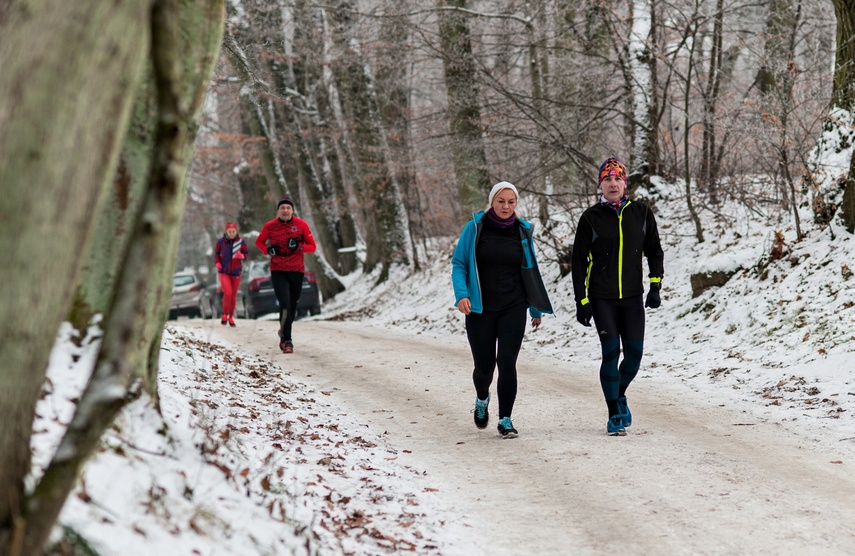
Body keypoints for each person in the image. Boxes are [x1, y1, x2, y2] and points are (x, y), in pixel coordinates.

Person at [451, 181, 553, 438]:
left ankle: (505, 419)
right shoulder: (475, 228)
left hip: (513, 306)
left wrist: (535, 307)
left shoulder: (522, 231)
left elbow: (529, 271)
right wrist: (462, 295)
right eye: (501, 201)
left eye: (511, 202)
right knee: (484, 367)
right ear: (492, 202)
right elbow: (459, 263)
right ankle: (482, 398)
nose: (506, 206)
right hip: (480, 308)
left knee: (507, 362)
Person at [571, 157, 664, 436]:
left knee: (634, 357)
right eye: (607, 179)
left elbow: (655, 251)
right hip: (602, 300)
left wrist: (655, 285)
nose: (613, 184)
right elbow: (578, 263)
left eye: (617, 179)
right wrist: (582, 301)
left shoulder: (642, 214)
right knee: (610, 355)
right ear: (600, 184)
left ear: (625, 183)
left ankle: (619, 394)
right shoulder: (590, 218)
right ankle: (613, 414)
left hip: (633, 299)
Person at [255, 196, 317, 354]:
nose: (285, 210)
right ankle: (287, 340)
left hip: (296, 270)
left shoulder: (301, 224)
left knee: (293, 305)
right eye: (282, 208)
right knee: (284, 303)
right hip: (278, 270)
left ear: (292, 210)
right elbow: (259, 242)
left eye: (288, 208)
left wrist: (299, 246)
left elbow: (313, 247)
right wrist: (268, 250)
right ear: (278, 211)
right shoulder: (270, 226)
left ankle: (283, 330)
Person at [214, 222, 248, 327]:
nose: (232, 233)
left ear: (236, 231)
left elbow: (247, 254)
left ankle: (231, 317)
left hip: (236, 273)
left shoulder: (241, 242)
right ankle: (225, 314)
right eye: (229, 231)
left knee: (233, 296)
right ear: (226, 231)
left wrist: (241, 255)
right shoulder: (221, 242)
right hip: (224, 272)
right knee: (227, 292)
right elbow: (216, 254)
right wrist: (218, 263)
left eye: (233, 231)